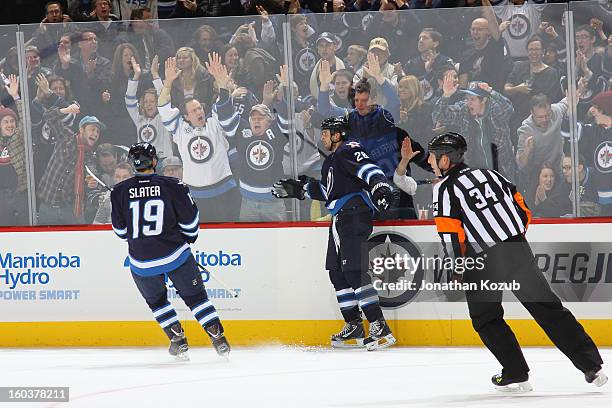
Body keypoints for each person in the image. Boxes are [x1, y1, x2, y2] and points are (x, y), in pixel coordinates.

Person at [428, 132, 607, 392]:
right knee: (547, 308)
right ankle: (591, 365)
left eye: (433, 157)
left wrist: (457, 268)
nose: (430, 162)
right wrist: (514, 237)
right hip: (515, 248)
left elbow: (450, 233)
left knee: (486, 318)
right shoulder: (491, 175)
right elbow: (522, 207)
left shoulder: (444, 189)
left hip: (482, 262)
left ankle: (516, 372)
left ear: (445, 160)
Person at [272, 116, 398, 351]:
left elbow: (368, 167)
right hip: (341, 217)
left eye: (327, 132)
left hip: (353, 215)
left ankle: (379, 325)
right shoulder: (332, 161)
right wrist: (300, 190)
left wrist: (379, 184)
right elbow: (329, 191)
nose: (323, 136)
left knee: (353, 270)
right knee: (337, 272)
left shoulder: (348, 149)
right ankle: (354, 325)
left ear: (338, 134)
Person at [111, 142, 230, 360]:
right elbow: (191, 223)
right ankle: (218, 338)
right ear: (154, 161)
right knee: (196, 298)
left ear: (132, 164)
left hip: (142, 263)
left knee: (157, 302)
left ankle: (177, 339)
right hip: (176, 256)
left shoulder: (119, 191)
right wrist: (186, 240)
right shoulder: (174, 185)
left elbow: (120, 232)